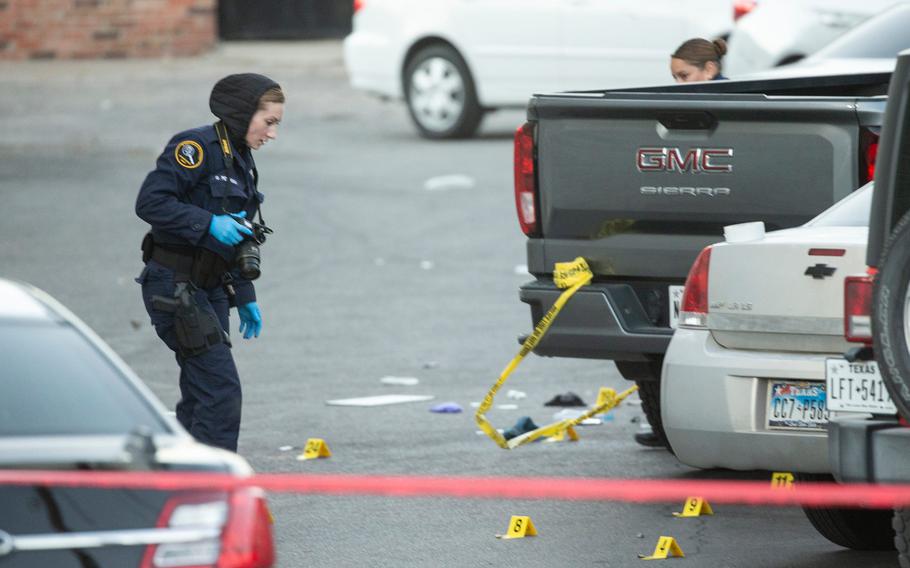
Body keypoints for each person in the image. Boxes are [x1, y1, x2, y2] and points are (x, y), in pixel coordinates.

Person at [135, 73, 285, 452]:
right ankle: (215, 488)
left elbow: (238, 231)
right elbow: (151, 202)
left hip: (211, 287)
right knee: (220, 392)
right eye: (269, 122)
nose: (273, 134)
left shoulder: (241, 159)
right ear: (242, 113)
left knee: (200, 392)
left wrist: (245, 293)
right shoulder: (195, 147)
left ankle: (179, 480)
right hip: (175, 285)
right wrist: (207, 224)